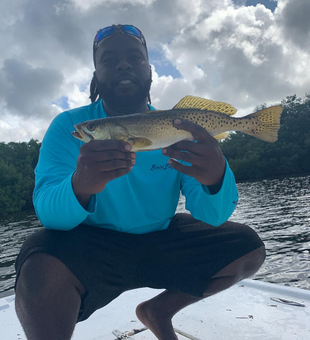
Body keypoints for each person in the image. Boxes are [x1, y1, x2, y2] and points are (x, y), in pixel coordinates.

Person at [14, 24, 266, 340]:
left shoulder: (178, 126)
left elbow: (212, 216)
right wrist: (80, 185)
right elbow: (49, 215)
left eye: (135, 57)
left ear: (149, 69)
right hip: (93, 244)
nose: (123, 65)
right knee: (38, 263)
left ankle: (157, 310)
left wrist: (216, 177)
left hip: (162, 238)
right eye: (109, 59)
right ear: (95, 73)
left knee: (247, 247)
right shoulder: (69, 127)